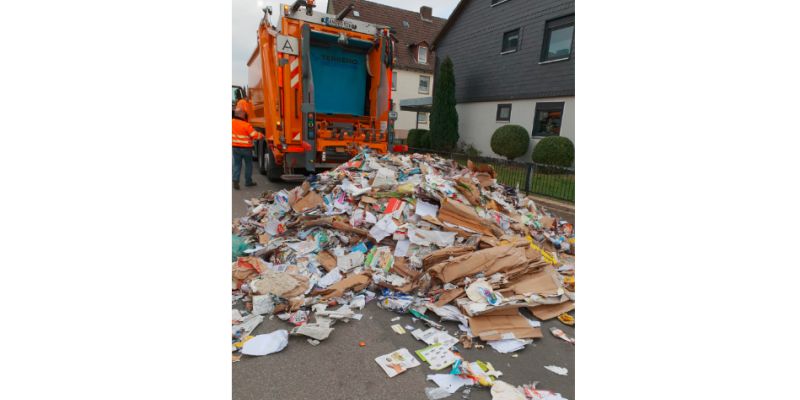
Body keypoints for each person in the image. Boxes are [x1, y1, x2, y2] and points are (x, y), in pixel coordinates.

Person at [232, 108, 263, 190]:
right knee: (248, 165)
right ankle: (248, 182)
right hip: (246, 149)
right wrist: (261, 135)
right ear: (241, 114)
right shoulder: (246, 125)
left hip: (235, 148)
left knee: (237, 164)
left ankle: (235, 180)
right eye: (244, 113)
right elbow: (254, 135)